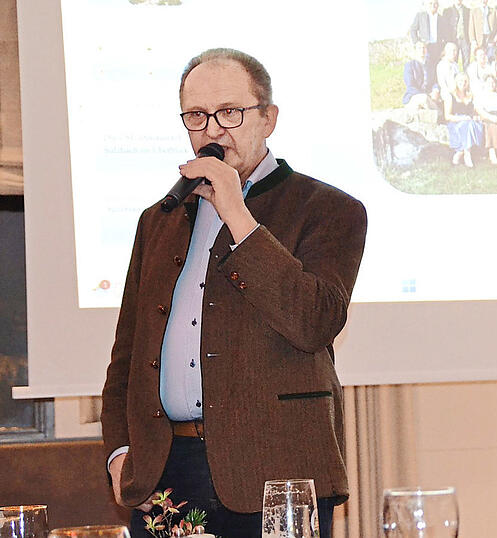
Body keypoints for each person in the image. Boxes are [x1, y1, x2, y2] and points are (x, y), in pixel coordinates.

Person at [100, 48, 367, 538]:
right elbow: (127, 355)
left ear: (268, 119)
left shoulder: (329, 209)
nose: (213, 130)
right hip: (165, 474)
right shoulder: (157, 219)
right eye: (197, 116)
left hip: (277, 472)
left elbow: (313, 321)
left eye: (230, 112)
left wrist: (238, 214)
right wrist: (120, 452)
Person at [444, 72, 484, 168]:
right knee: (467, 125)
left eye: (465, 81)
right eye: (460, 81)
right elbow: (447, 116)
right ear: (456, 82)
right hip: (456, 122)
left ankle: (460, 153)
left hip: (470, 122)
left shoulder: (471, 95)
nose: (463, 83)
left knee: (473, 124)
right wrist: (462, 118)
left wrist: (476, 116)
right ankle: (467, 154)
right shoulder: (450, 96)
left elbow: (475, 111)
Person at [409, 0, 443, 91]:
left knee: (436, 68)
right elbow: (413, 30)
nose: (433, 5)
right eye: (431, 3)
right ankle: (424, 90)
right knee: (426, 68)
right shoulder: (420, 16)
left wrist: (444, 49)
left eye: (435, 3)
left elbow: (445, 34)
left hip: (437, 47)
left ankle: (436, 90)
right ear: (426, 5)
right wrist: (417, 44)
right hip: (425, 47)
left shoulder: (441, 18)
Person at [441, 0, 470, 69]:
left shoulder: (467, 11)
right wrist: (447, 41)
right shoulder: (447, 11)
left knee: (466, 61)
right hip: (453, 40)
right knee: (453, 60)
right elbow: (444, 27)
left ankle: (465, 78)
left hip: (465, 40)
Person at [403, 41, 429, 108]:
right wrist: (424, 95)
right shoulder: (409, 65)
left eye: (424, 48)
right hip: (414, 96)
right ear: (415, 50)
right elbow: (410, 86)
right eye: (419, 48)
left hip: (429, 96)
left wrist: (436, 90)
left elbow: (435, 81)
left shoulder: (430, 65)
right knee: (424, 99)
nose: (422, 50)